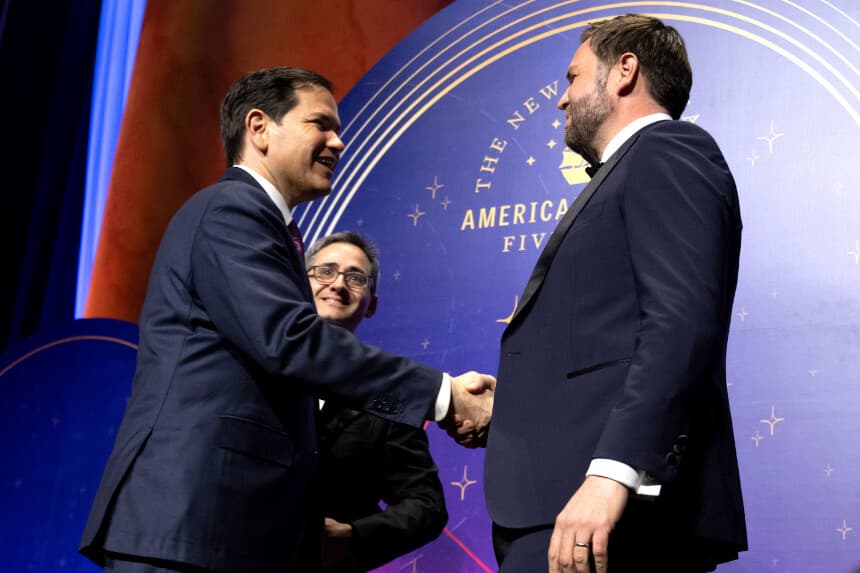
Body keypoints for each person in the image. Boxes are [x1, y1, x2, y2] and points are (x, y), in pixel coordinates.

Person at [79, 67, 493, 573]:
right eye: (320, 124)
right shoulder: (232, 211)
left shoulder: (263, 225)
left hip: (231, 536)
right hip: (191, 524)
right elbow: (289, 339)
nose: (338, 142)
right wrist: (445, 396)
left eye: (337, 130)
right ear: (259, 128)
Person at [481, 14, 747, 573]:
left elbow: (679, 322)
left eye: (573, 78)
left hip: (608, 506)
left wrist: (615, 471)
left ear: (624, 71)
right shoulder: (630, 168)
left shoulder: (667, 149)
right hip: (561, 503)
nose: (562, 99)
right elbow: (603, 344)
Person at [305, 231, 447, 573]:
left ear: (371, 304)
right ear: (298, 284)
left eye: (355, 278)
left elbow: (427, 505)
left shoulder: (388, 396)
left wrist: (352, 536)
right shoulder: (247, 370)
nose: (338, 284)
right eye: (325, 271)